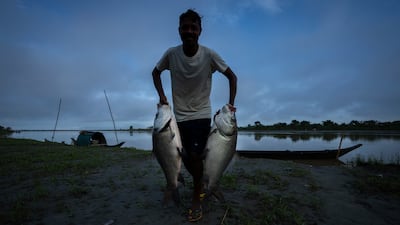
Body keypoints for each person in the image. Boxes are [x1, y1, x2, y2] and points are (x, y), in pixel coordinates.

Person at [152, 9, 237, 222]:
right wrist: (162, 96)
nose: (189, 31)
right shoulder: (171, 54)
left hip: (201, 114)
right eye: (185, 27)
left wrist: (231, 104)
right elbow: (155, 72)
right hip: (177, 117)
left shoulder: (209, 55)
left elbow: (232, 77)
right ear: (179, 30)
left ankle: (197, 197)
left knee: (197, 156)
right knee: (185, 155)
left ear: (200, 30)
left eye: (193, 27)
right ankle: (198, 183)